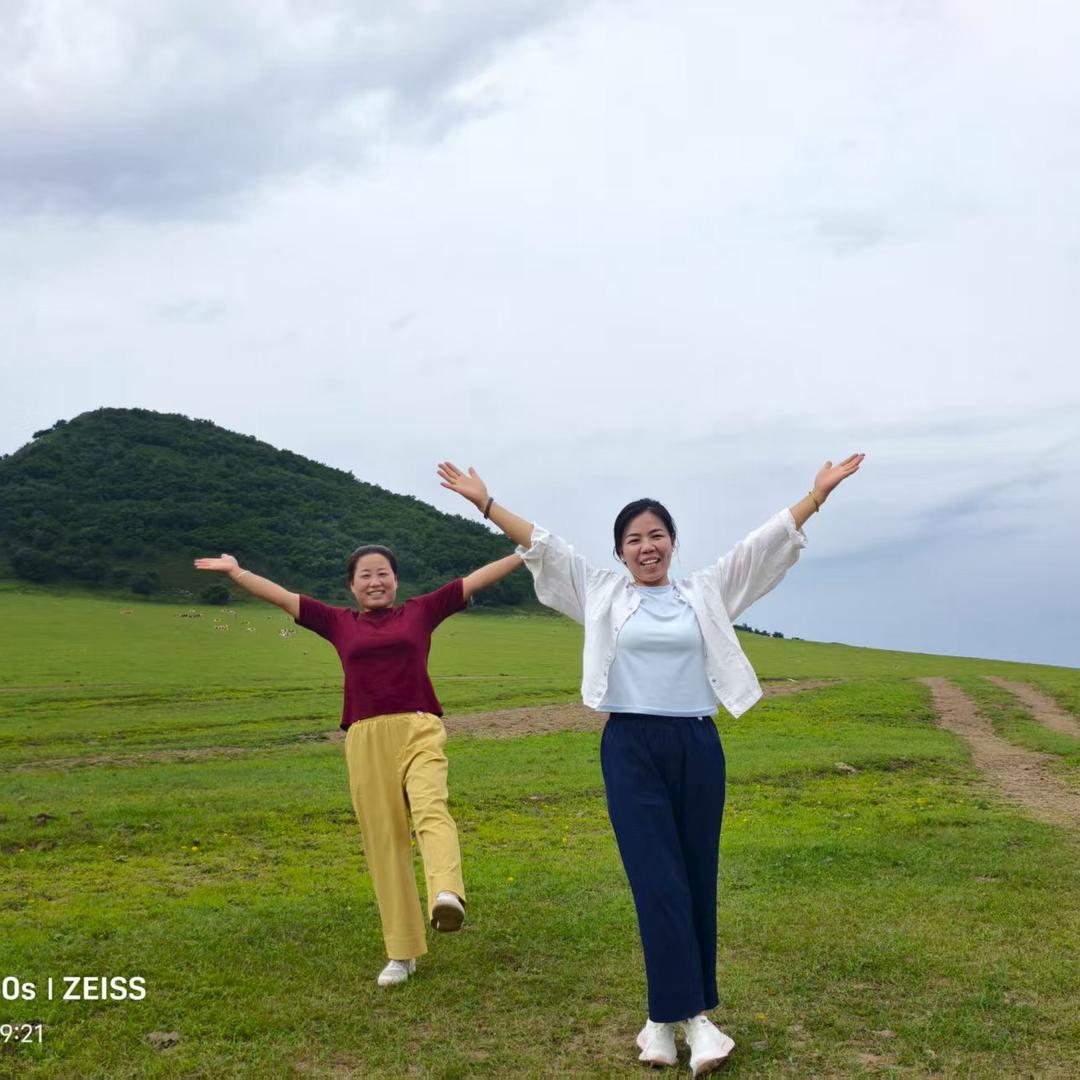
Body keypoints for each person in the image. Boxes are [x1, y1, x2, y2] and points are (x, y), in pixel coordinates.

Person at [438, 454, 864, 1075]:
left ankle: (662, 1024)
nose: (647, 547)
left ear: (673, 543)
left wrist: (815, 496)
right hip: (630, 746)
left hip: (697, 744)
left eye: (657, 536)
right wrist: (486, 502)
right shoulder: (604, 594)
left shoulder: (706, 592)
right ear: (620, 552)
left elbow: (760, 547)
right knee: (657, 883)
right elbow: (546, 548)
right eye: (634, 539)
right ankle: (697, 1021)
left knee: (695, 879)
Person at [194, 542, 523, 987]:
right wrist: (237, 572)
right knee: (385, 843)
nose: (375, 581)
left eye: (383, 573)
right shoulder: (337, 622)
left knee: (431, 808)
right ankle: (401, 952)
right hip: (366, 737)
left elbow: (476, 578)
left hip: (419, 726)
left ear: (395, 579)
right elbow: (280, 596)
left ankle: (447, 893)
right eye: (365, 575)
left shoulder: (420, 612)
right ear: (352, 586)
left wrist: (525, 552)